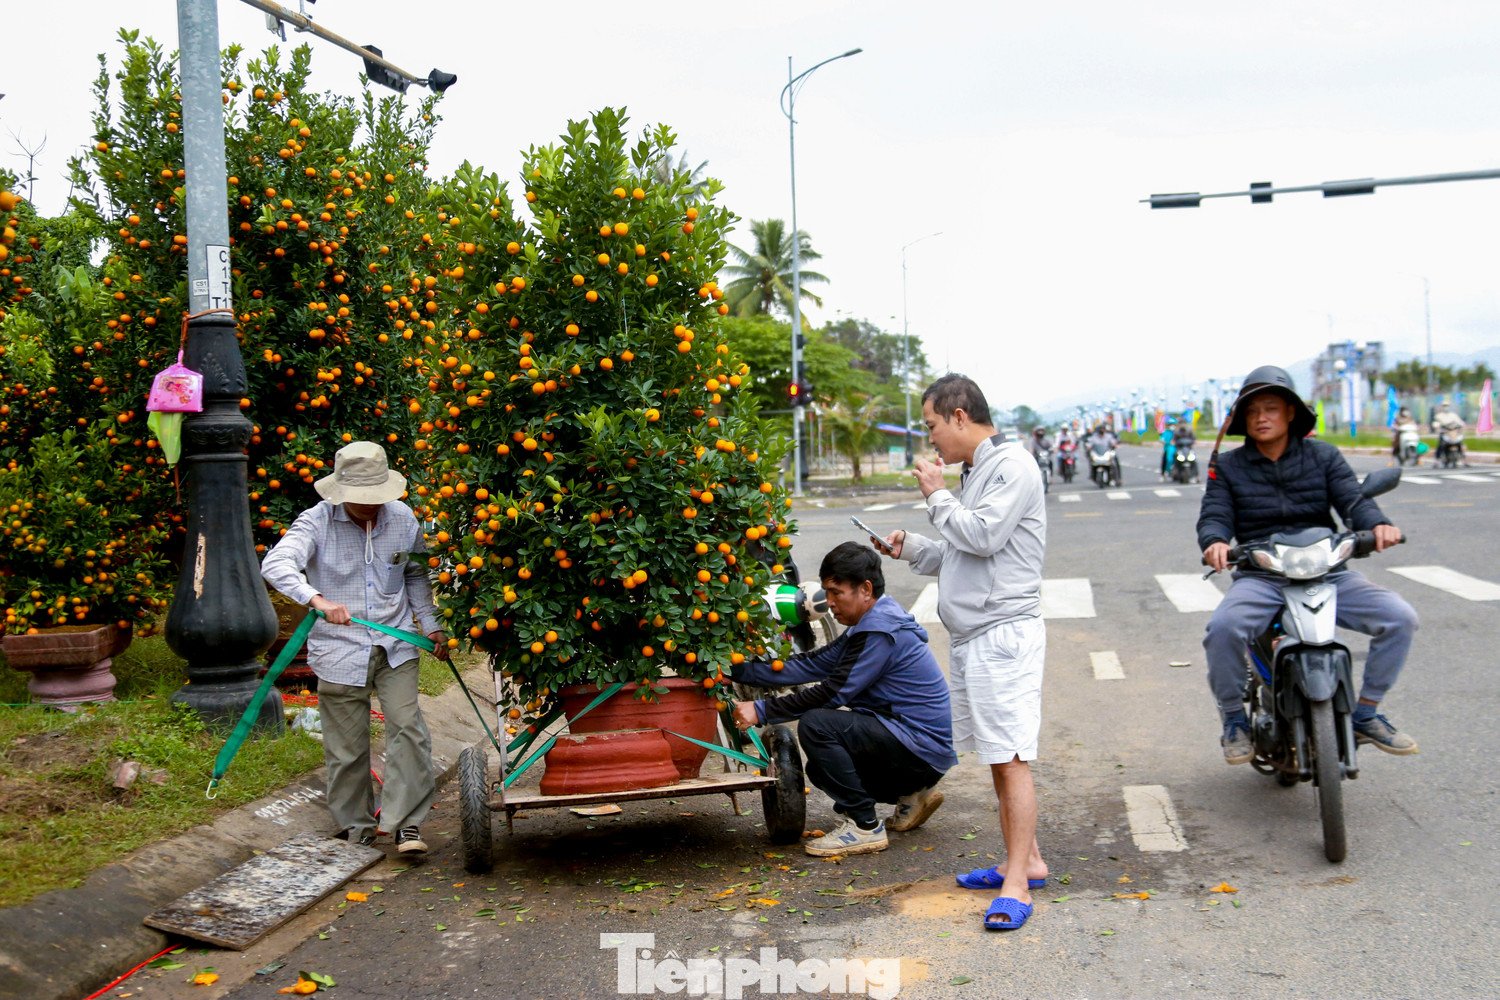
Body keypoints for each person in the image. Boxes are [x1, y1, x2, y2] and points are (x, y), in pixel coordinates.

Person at [877, 373, 1049, 933]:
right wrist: (913, 547)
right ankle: (1025, 860)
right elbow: (961, 550)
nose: (932, 443)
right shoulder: (979, 472)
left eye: (931, 427)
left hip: (1003, 635)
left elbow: (981, 537)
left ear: (957, 416)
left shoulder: (1012, 466)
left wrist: (936, 494)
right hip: (977, 635)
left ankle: (1018, 885)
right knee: (998, 756)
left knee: (1011, 757)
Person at [1198, 366, 1418, 765]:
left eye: (1270, 409)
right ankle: (1233, 720)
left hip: (1327, 571)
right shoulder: (1229, 467)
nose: (1261, 418)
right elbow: (1214, 514)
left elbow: (1354, 501)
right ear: (1244, 421)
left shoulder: (1324, 456)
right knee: (1223, 630)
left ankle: (1366, 712)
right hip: (1262, 574)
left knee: (1400, 617)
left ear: (1291, 414)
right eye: (1252, 412)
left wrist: (1378, 525)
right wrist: (1214, 541)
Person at [262, 441, 449, 855]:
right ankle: (356, 827)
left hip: (396, 643)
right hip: (338, 649)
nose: (370, 506)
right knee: (346, 748)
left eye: (376, 498)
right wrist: (319, 601)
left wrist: (431, 626)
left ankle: (406, 825)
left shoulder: (402, 519)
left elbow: (415, 576)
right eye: (361, 499)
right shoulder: (314, 522)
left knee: (408, 729)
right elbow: (275, 564)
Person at [731, 542, 956, 858]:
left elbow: (833, 693)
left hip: (919, 750)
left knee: (817, 725)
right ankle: (912, 795)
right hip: (920, 748)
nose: (829, 602)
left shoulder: (879, 632)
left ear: (865, 589)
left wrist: (762, 709)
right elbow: (812, 664)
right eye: (826, 591)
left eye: (837, 592)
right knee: (822, 771)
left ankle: (865, 827)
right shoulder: (870, 621)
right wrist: (738, 670)